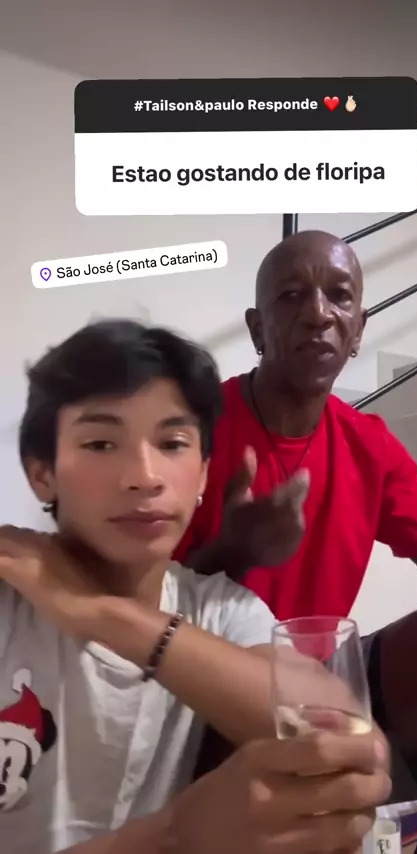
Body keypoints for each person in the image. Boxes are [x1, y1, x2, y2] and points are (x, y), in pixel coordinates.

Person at [0, 319, 391, 854]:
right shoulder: (10, 598)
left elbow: (347, 740)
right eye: (100, 443)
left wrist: (104, 614)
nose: (144, 476)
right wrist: (173, 836)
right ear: (42, 473)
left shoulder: (220, 610)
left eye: (172, 443)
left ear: (204, 473)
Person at [174, 230, 417, 853]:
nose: (319, 313)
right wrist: (232, 551)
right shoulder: (192, 430)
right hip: (203, 697)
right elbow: (138, 613)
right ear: (257, 329)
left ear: (359, 328)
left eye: (340, 296)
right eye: (292, 296)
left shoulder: (371, 444)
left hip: (326, 681)